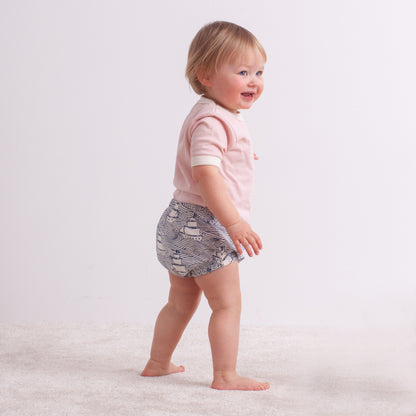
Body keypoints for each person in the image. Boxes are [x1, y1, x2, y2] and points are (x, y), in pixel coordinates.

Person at [141, 21, 269, 391]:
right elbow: (205, 174)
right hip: (205, 223)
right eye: (242, 72)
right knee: (227, 305)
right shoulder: (214, 121)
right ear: (206, 75)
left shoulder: (208, 113)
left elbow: (210, 160)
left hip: (177, 220)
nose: (253, 81)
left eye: (259, 72)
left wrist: (239, 157)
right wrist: (234, 222)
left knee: (180, 302)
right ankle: (225, 375)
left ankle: (157, 362)